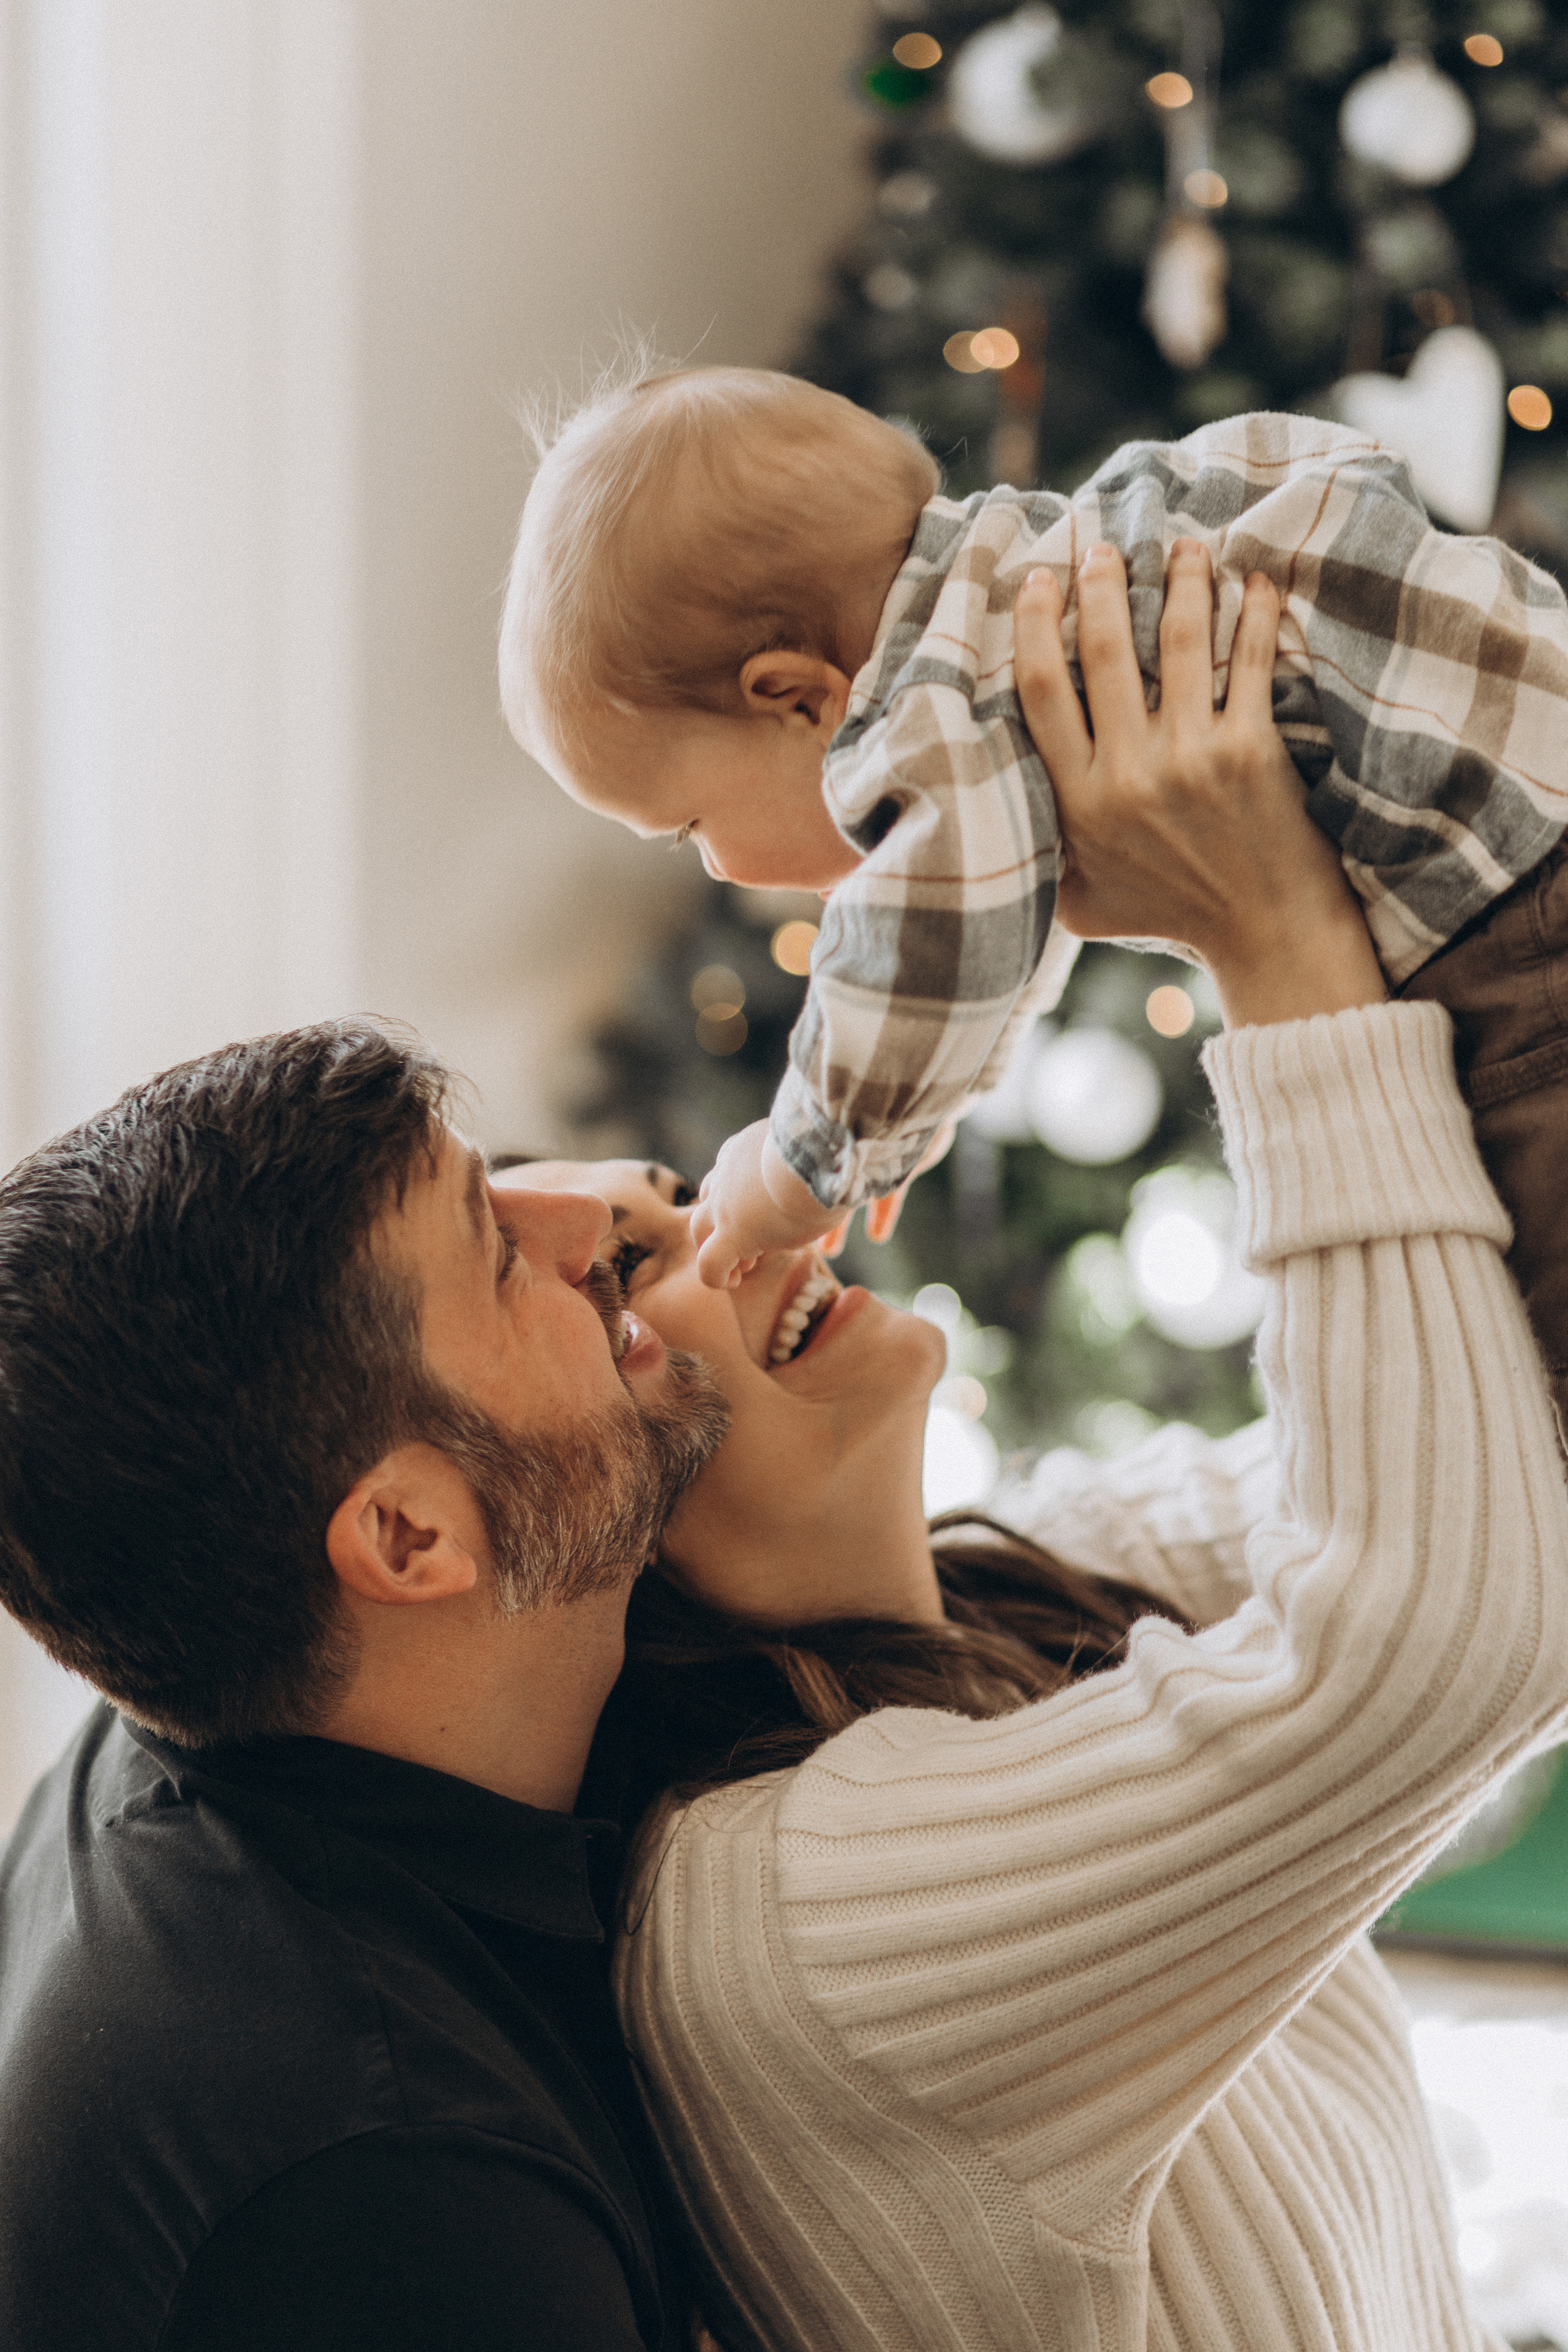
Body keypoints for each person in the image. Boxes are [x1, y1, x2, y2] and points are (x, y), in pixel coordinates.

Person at [509, 546, 1568, 2352]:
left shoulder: (995, 1590)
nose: (745, 1224)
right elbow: (1444, 1640)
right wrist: (1276, 940)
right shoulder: (789, 1922)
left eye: (679, 1194)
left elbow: (1493, 1493)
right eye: (635, 1277)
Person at [501, 365, 1568, 1430]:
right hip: (1522, 774)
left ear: (796, 699)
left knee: (1542, 1339)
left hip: (1509, 912)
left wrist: (805, 1162)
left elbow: (931, 937)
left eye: (690, 825)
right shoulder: (1016, 595)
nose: (718, 869)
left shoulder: (922, 721)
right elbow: (1005, 921)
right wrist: (910, 1122)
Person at [0, 1023, 731, 2350]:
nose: (591, 1219)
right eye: (499, 1255)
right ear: (406, 1537)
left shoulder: (223, 1667)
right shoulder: (388, 2180)